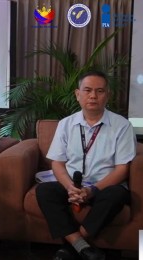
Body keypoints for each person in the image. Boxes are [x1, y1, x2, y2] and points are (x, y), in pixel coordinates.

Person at [36, 71, 137, 260]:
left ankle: (73, 246)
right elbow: (57, 162)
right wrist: (69, 187)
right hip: (72, 186)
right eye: (88, 90)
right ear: (77, 94)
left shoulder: (122, 126)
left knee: (117, 194)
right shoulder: (66, 124)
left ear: (107, 95)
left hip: (103, 187)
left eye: (99, 91)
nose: (93, 96)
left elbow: (122, 169)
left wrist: (91, 190)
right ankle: (83, 248)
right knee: (44, 191)